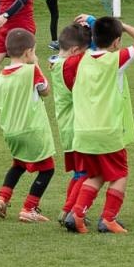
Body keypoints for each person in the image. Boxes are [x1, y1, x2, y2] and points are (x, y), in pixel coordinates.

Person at [62, 14, 134, 234]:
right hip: (107, 131)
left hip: (82, 133)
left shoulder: (75, 61)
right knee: (119, 174)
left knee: (96, 175)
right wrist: (125, 24)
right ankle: (109, 218)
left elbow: (70, 82)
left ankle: (77, 214)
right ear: (117, 41)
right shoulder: (116, 59)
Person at [0, 28, 56, 223]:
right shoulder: (30, 70)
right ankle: (29, 208)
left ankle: (2, 198)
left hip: (11, 131)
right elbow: (45, 91)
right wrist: (36, 64)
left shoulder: (0, 78)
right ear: (29, 52)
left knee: (18, 165)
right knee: (47, 168)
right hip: (31, 129)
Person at [49, 19, 91, 227]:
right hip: (78, 127)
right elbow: (96, 53)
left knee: (78, 173)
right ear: (75, 50)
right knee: (88, 173)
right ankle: (70, 211)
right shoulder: (71, 64)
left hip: (67, 127)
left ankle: (67, 209)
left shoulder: (57, 62)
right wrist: (93, 23)